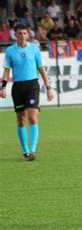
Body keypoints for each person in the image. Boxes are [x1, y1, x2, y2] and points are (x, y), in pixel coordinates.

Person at [1, 25, 54, 161]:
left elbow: (41, 69)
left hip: (32, 86)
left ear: (28, 35)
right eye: (19, 33)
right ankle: (25, 151)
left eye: (25, 33)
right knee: (21, 120)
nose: (22, 36)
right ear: (16, 35)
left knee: (32, 118)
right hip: (18, 87)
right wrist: (3, 87)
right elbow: (6, 70)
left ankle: (33, 150)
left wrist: (48, 87)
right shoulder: (10, 51)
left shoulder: (34, 49)